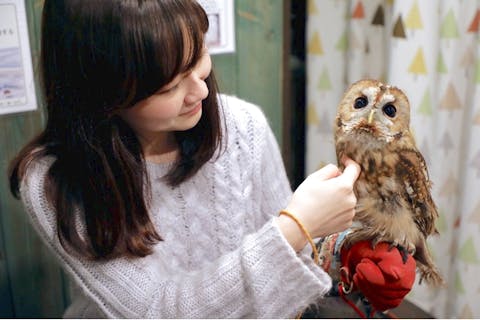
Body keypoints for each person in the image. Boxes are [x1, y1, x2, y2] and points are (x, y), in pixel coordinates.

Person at [8, 0, 415, 318]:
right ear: (103, 94)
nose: (200, 92)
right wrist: (296, 226)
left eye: (197, 58)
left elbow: (295, 261)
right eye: (169, 86)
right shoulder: (54, 182)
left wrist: (349, 253)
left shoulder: (243, 127)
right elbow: (154, 312)